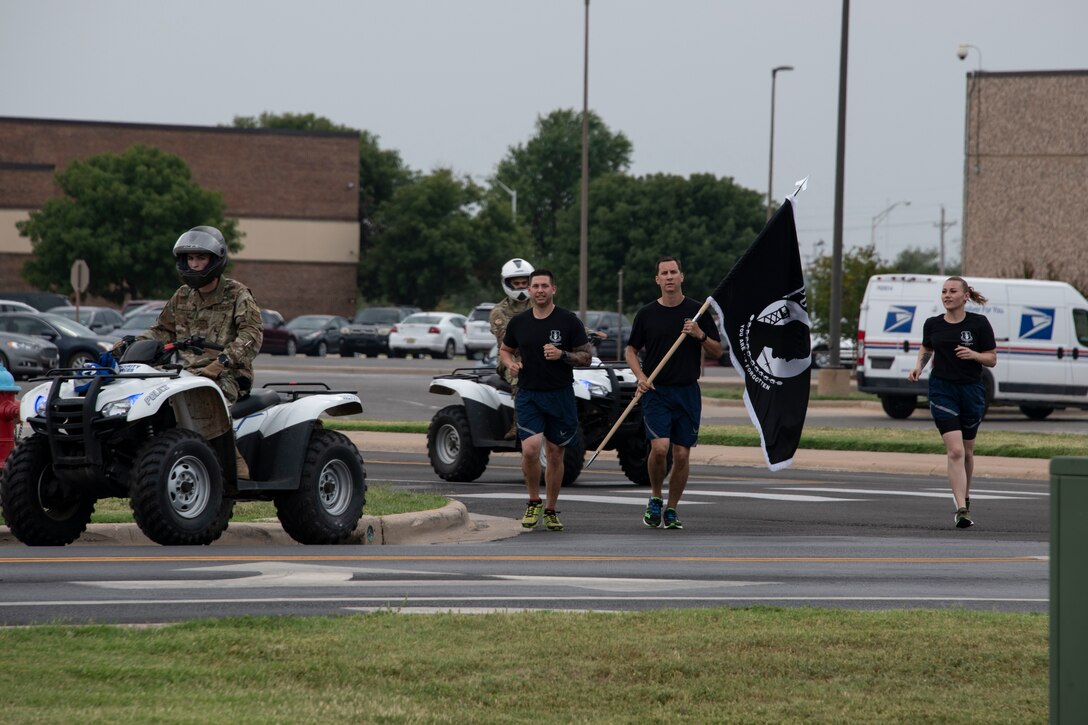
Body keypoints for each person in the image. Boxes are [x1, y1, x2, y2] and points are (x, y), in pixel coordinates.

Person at [142, 225, 264, 477]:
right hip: (187, 374)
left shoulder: (238, 294)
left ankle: (232, 458)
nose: (195, 264)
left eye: (201, 258)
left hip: (228, 374)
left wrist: (220, 363)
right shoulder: (182, 296)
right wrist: (128, 345)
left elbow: (251, 336)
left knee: (207, 397)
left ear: (215, 260)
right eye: (190, 258)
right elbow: (162, 331)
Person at [625, 256, 722, 530]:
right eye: (664, 273)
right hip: (656, 391)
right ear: (657, 280)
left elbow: (717, 350)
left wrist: (699, 334)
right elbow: (630, 350)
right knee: (660, 448)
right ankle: (655, 497)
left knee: (681, 455)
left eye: (673, 272)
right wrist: (640, 377)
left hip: (687, 391)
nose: (669, 277)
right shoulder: (646, 314)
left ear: (682, 277)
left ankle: (672, 509)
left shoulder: (697, 311)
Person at [500, 269, 592, 532]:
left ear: (554, 290)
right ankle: (532, 501)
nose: (539, 290)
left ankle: (551, 508)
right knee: (530, 449)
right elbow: (505, 350)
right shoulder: (519, 322)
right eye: (535, 286)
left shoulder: (568, 321)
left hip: (560, 394)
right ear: (529, 291)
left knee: (555, 453)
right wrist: (511, 364)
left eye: (544, 286)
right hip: (529, 394)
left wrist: (562, 355)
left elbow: (585, 357)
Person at [908, 276, 996, 528]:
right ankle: (961, 509)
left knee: (967, 451)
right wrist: (918, 367)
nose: (947, 295)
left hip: (972, 391)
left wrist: (974, 354)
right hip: (942, 390)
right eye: (944, 291)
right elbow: (926, 348)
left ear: (965, 296)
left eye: (953, 291)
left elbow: (991, 359)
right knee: (955, 450)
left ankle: (966, 496)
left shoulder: (979, 324)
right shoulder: (933, 324)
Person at [489, 258, 534, 439]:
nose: (521, 286)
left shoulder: (539, 304)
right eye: (517, 283)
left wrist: (586, 332)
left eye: (524, 282)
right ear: (508, 283)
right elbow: (507, 342)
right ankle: (519, 424)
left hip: (540, 357)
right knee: (519, 375)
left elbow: (561, 320)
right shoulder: (499, 311)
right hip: (510, 359)